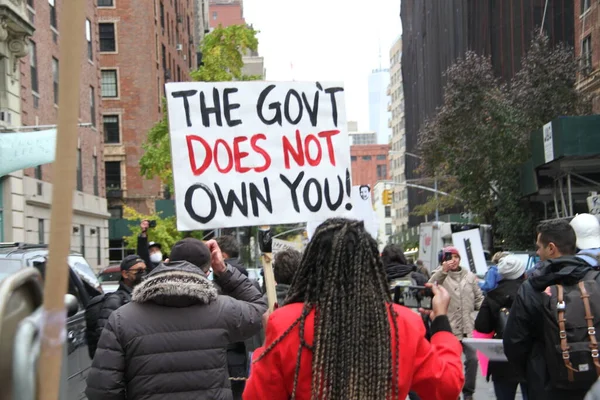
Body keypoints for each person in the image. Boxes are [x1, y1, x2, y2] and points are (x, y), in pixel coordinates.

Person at [244, 218, 465, 400]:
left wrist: (267, 348)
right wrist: (441, 323)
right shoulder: (404, 324)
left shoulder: (286, 324)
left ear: (311, 265)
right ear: (371, 265)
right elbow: (446, 388)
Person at [85, 238, 267, 400]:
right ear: (207, 272)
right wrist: (223, 270)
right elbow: (259, 310)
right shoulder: (222, 310)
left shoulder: (122, 317)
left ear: (167, 263)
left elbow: (102, 390)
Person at [504, 219, 595, 400]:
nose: (537, 252)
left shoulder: (531, 288)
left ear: (551, 248)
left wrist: (532, 373)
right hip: (592, 382)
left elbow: (514, 342)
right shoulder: (595, 280)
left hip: (545, 385)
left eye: (539, 247)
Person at [429, 246, 484, 400]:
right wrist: (443, 271)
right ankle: (453, 393)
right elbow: (430, 286)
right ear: (443, 260)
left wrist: (485, 309)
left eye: (456, 257)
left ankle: (468, 392)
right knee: (450, 363)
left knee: (472, 360)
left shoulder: (469, 276)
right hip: (449, 328)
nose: (453, 260)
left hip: (467, 327)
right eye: (449, 257)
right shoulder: (439, 274)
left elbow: (479, 298)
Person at [474, 255, 528, 400]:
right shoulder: (532, 292)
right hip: (529, 357)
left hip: (502, 356)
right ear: (522, 272)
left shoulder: (493, 295)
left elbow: (482, 326)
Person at [88, 255, 146, 358]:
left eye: (144, 270)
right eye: (138, 270)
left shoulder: (140, 298)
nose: (143, 273)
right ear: (125, 274)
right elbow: (105, 335)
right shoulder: (115, 300)